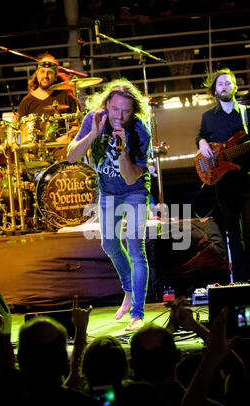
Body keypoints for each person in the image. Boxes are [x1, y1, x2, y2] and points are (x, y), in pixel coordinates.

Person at [67, 78, 151, 331]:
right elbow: (71, 156)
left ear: (133, 111)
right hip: (108, 191)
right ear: (106, 105)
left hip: (135, 190)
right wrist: (93, 133)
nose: (119, 115)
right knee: (109, 244)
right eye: (115, 109)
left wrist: (122, 150)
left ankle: (137, 313)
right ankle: (128, 290)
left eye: (125, 111)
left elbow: (129, 176)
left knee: (136, 252)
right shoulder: (94, 118)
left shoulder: (139, 130)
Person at [196, 67, 250, 283]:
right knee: (233, 231)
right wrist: (202, 142)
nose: (225, 86)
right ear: (215, 90)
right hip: (223, 181)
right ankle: (239, 280)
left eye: (228, 82)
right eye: (220, 83)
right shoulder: (208, 117)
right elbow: (200, 138)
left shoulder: (249, 112)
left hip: (249, 177)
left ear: (235, 87)